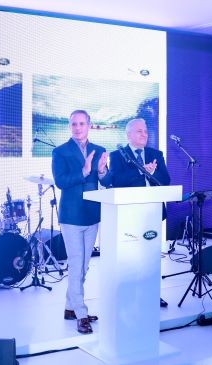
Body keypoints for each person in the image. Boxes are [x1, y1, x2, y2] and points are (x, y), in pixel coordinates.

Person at [51, 110, 111, 334]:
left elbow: (107, 180)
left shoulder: (100, 150)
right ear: (70, 126)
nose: (77, 128)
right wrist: (84, 172)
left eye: (81, 123)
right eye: (74, 124)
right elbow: (60, 181)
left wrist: (102, 171)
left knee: (83, 266)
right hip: (71, 216)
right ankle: (81, 314)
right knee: (76, 264)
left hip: (92, 214)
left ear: (89, 125)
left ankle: (70, 307)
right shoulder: (60, 151)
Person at [108, 118, 171, 307]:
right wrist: (142, 171)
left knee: (151, 257)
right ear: (128, 135)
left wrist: (152, 173)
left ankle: (152, 294)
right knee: (132, 258)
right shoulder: (117, 155)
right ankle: (130, 296)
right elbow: (117, 181)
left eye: (145, 131)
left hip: (152, 212)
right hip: (129, 213)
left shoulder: (155, 154)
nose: (144, 134)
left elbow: (165, 180)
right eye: (139, 131)